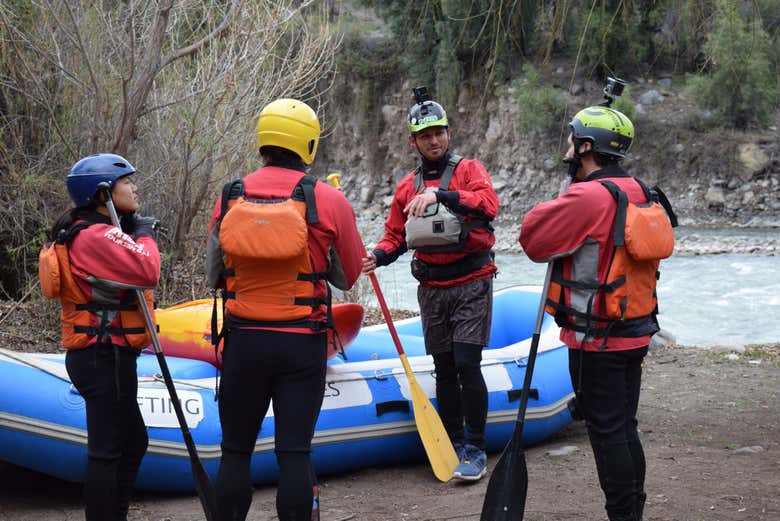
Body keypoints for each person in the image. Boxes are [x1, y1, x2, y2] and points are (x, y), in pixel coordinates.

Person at [205, 98, 365, 521]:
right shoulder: (328, 200)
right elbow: (347, 277)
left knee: (235, 452)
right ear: (307, 143)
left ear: (264, 139)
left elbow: (213, 275)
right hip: (301, 345)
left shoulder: (230, 196)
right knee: (294, 452)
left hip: (242, 342)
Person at [519, 106, 672, 521]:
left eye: (573, 140)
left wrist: (567, 190)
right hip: (636, 332)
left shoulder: (585, 196)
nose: (568, 147)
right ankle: (632, 512)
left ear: (586, 147)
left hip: (596, 339)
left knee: (605, 433)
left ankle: (624, 516)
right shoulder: (639, 189)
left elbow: (532, 240)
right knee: (624, 426)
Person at [361, 89, 499, 481]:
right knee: (444, 366)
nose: (433, 140)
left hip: (472, 281)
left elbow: (488, 205)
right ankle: (453, 440)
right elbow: (395, 236)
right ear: (413, 142)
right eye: (425, 135)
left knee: (467, 363)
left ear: (448, 133)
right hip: (433, 288)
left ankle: (475, 446)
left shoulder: (470, 170)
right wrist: (378, 256)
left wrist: (442, 194)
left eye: (439, 132)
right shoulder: (407, 187)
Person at [40, 153, 161, 520]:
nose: (135, 187)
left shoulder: (97, 229)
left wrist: (131, 228)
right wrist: (143, 234)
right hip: (101, 352)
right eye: (128, 183)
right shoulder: (95, 234)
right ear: (102, 192)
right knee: (108, 450)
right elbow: (147, 268)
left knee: (132, 442)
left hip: (108, 353)